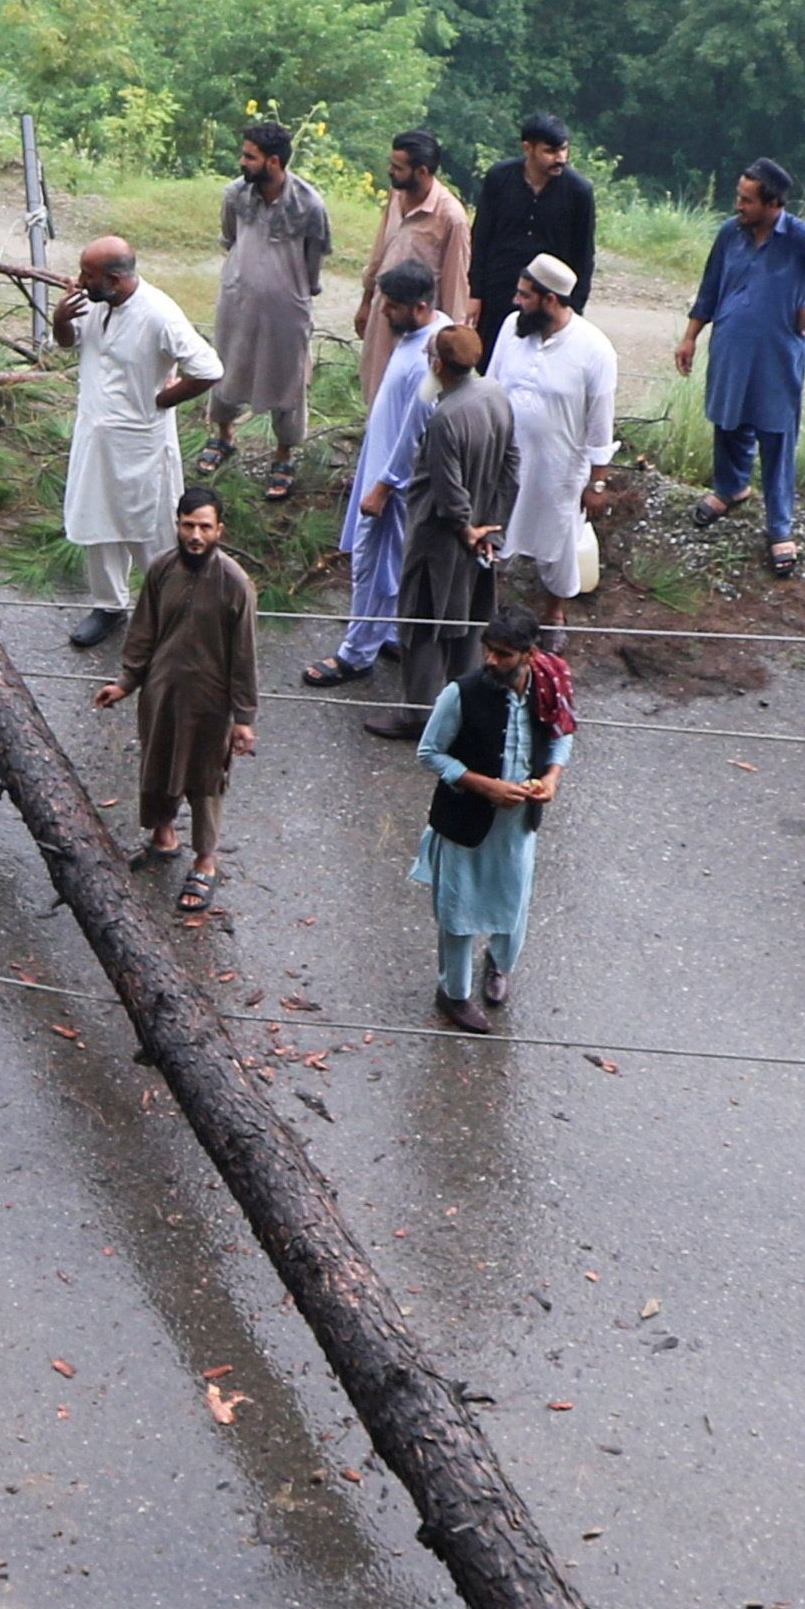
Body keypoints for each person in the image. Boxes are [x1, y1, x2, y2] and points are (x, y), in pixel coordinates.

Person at [674, 159, 805, 573]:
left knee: (776, 433)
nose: (738, 206)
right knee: (727, 420)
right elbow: (709, 288)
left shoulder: (799, 237)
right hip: (730, 345)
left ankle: (779, 525)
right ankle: (730, 488)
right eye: (738, 197)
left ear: (773, 204)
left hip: (777, 352)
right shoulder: (730, 233)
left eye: (747, 200)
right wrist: (690, 337)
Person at [52, 234, 218, 649]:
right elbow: (70, 342)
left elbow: (208, 368)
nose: (79, 281)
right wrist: (60, 320)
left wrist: (162, 400)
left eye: (87, 274)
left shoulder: (159, 314)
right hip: (95, 438)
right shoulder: (94, 301)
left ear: (114, 279)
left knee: (150, 531)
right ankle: (109, 605)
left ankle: (173, 610)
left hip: (141, 444)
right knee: (97, 522)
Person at [99, 485, 258, 914]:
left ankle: (205, 861)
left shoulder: (235, 584)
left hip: (210, 703)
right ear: (177, 525)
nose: (195, 536)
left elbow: (244, 655)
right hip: (161, 694)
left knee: (205, 779)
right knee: (158, 763)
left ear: (219, 529)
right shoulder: (161, 569)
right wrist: (126, 682)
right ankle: (163, 836)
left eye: (205, 527)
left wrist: (244, 718)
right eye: (188, 526)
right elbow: (143, 631)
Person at [413, 607, 569, 1032]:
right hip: (464, 819)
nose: (491, 660)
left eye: (503, 654)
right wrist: (486, 787)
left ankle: (499, 965)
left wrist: (551, 778)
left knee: (513, 899)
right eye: (488, 650)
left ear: (529, 655)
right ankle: (453, 992)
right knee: (458, 907)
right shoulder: (460, 694)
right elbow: (429, 753)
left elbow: (562, 734)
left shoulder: (550, 684)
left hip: (517, 825)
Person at [370, 320, 518, 737]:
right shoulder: (496, 394)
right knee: (468, 621)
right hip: (482, 532)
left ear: (439, 364)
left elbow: (447, 487)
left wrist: (464, 526)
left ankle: (417, 715)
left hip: (438, 538)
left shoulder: (445, 418)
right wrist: (493, 529)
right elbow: (512, 466)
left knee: (422, 623)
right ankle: (464, 706)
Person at [306, 252, 440, 690]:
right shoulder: (422, 333)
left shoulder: (429, 359)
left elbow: (415, 431)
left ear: (420, 306)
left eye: (393, 306)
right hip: (380, 469)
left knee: (373, 568)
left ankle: (356, 654)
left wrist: (384, 486)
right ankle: (388, 633)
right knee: (390, 566)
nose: (384, 313)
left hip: (392, 484)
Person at [206, 119, 333, 496]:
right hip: (237, 301)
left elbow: (313, 262)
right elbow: (230, 237)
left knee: (287, 380)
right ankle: (223, 435)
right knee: (225, 367)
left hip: (286, 311)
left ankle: (284, 454)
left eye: (250, 156)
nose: (242, 162)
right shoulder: (235, 194)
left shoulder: (309, 205)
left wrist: (292, 291)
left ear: (274, 162)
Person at [486, 253, 620, 609]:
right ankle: (486, 607)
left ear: (550, 299)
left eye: (525, 295)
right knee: (496, 534)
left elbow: (600, 422)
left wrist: (597, 483)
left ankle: (554, 614)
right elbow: (492, 386)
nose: (516, 301)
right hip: (506, 463)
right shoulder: (512, 328)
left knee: (558, 544)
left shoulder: (595, 349)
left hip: (558, 469)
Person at [352, 129, 474, 403]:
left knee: (411, 399)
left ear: (422, 171)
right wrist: (366, 301)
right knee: (376, 388)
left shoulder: (451, 217)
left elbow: (455, 286)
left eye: (398, 167)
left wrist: (449, 344)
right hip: (384, 312)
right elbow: (380, 253)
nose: (390, 171)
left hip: (418, 327)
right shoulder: (397, 197)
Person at [466, 113, 599, 340]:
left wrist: (574, 308)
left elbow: (583, 255)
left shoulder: (578, 191)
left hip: (549, 298)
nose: (560, 158)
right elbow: (481, 237)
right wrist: (475, 293)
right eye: (550, 151)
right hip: (498, 292)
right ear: (528, 148)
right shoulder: (500, 178)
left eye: (563, 149)